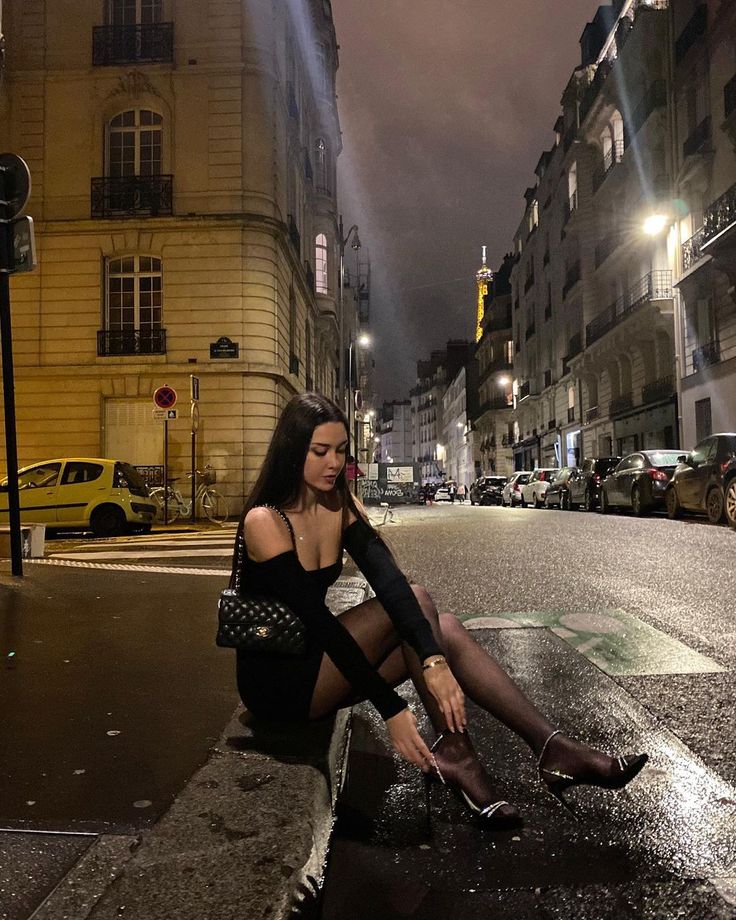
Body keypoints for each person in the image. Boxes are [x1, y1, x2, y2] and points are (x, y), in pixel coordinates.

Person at [230, 394, 647, 829]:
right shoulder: (265, 520)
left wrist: (434, 658)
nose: (333, 463)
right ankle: (459, 754)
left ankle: (550, 747)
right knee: (421, 605)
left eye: (340, 451)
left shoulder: (339, 505)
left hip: (323, 665)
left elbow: (388, 581)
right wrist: (392, 707)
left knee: (441, 625)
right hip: (280, 681)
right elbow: (322, 628)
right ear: (293, 449)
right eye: (320, 452)